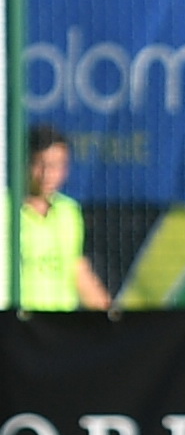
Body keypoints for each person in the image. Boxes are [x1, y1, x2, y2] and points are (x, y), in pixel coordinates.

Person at [17, 126, 112, 311]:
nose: (47, 174)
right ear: (25, 163)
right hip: (16, 328)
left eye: (56, 165)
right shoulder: (6, 209)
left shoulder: (69, 211)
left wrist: (113, 319)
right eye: (40, 164)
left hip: (59, 328)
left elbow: (76, 267)